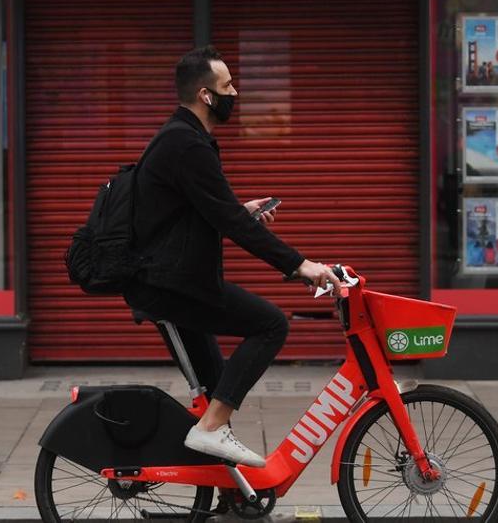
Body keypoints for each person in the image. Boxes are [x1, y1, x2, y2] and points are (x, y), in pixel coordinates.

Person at [126, 45, 343, 468]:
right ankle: (208, 429)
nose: (235, 93)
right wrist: (301, 266)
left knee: (215, 387)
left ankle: (228, 488)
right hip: (169, 285)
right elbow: (228, 224)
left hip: (169, 281)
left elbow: (199, 210)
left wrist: (238, 210)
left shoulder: (183, 137)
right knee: (270, 324)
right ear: (206, 95)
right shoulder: (187, 145)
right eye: (227, 86)